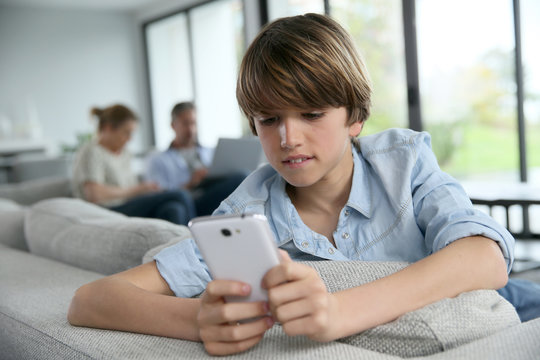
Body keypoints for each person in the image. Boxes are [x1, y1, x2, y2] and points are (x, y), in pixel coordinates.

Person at [68, 14, 540, 356]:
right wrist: (198, 321)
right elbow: (90, 301)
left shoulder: (403, 161)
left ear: (354, 116)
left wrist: (340, 312)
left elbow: (486, 256)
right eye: (269, 119)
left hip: (499, 299)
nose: (288, 137)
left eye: (312, 114)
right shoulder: (245, 215)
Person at [72, 104, 196, 225]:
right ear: (108, 128)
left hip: (128, 205)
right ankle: (196, 244)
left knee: (173, 208)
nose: (130, 139)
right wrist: (137, 190)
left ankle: (182, 244)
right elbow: (95, 195)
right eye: (126, 132)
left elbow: (129, 189)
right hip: (106, 210)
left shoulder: (125, 154)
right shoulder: (92, 151)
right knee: (181, 195)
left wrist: (146, 190)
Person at [145, 102, 246, 216]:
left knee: (242, 176)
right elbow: (158, 195)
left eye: (193, 123)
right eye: (185, 123)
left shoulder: (211, 152)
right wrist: (190, 183)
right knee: (176, 208)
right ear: (173, 125)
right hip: (190, 202)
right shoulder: (159, 159)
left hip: (214, 195)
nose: (191, 129)